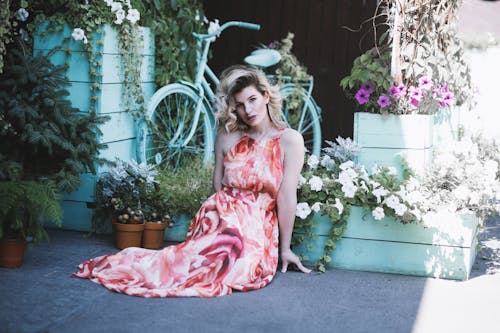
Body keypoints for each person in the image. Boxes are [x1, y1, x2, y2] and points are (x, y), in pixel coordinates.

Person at [73, 65, 311, 298]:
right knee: (207, 255)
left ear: (265, 96)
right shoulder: (227, 137)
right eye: (239, 105)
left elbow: (287, 197)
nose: (247, 109)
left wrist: (285, 249)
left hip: (257, 223)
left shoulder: (289, 141)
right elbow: (217, 187)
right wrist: (221, 217)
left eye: (252, 100)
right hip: (222, 214)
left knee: (238, 267)